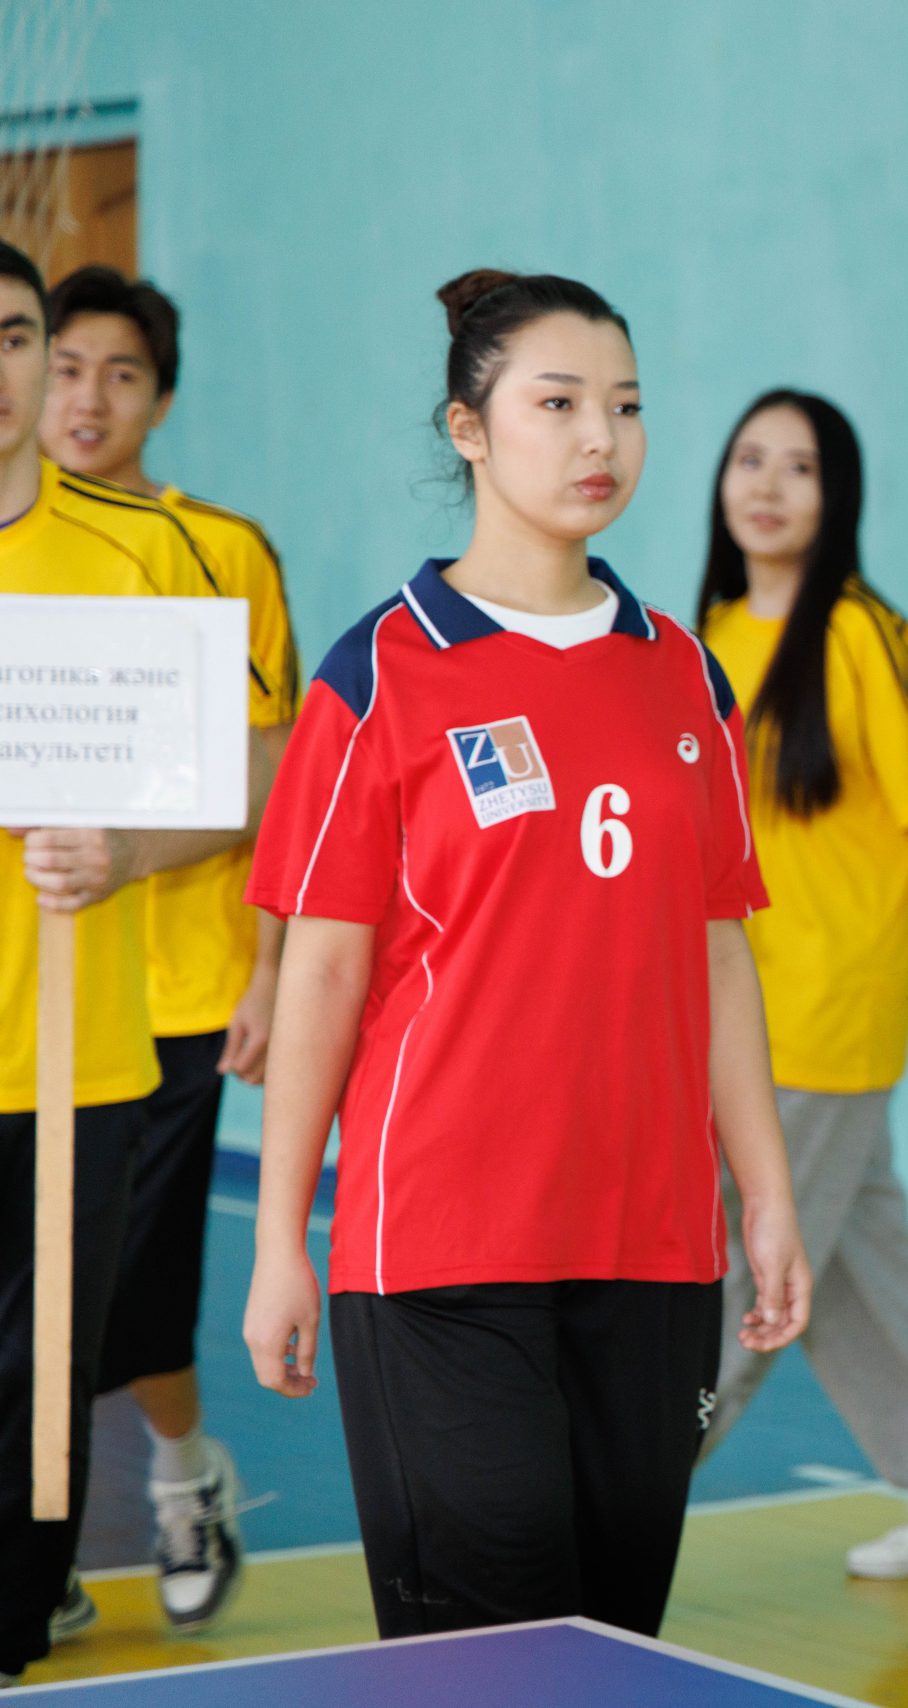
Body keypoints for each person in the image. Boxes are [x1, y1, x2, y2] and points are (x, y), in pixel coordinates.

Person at [239, 269, 811, 1641]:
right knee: (487, 1660)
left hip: (653, 1248)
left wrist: (767, 1193)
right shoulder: (381, 671)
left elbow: (719, 955)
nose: (599, 436)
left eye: (625, 405)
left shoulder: (684, 674)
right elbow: (323, 973)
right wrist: (278, 1239)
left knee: (611, 1648)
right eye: (556, 404)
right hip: (439, 1247)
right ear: (469, 430)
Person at [0, 238, 270, 1686]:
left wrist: (136, 861)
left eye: (17, 336)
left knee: (85, 1330)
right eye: (60, 361)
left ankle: (84, 1551)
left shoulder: (169, 554)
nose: (69, 390)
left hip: (122, 1023)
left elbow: (251, 783)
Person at [694, 388, 908, 1578]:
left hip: (822, 1017)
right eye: (750, 460)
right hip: (729, 1013)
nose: (767, 485)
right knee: (864, 1262)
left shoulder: (865, 634)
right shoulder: (708, 634)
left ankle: (623, 1493)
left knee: (739, 1276)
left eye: (800, 467)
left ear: (838, 496)